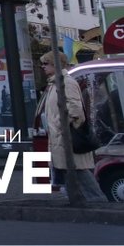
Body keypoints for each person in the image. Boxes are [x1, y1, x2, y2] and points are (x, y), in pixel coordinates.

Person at [38, 51, 107, 202]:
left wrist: (58, 125)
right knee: (68, 172)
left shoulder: (66, 83)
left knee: (79, 172)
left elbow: (75, 111)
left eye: (46, 63)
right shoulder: (54, 84)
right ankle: (78, 203)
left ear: (56, 64)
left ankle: (99, 204)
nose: (42, 67)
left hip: (68, 138)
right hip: (60, 139)